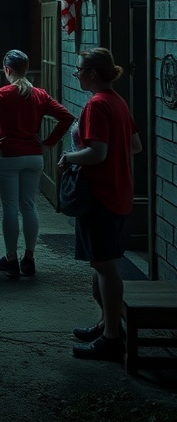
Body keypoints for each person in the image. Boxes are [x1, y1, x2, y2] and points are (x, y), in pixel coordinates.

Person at [61, 48, 142, 361]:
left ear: (93, 73)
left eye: (79, 69)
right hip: (119, 191)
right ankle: (105, 322)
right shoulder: (118, 102)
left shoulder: (96, 105)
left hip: (101, 195)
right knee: (100, 261)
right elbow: (135, 145)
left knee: (106, 266)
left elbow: (97, 153)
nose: (76, 73)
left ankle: (111, 337)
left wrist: (68, 157)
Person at [0, 49, 75, 277]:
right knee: (28, 205)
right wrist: (48, 143)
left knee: (10, 206)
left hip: (8, 155)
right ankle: (29, 258)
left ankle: (11, 259)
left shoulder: (4, 93)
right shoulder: (40, 94)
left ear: (7, 69)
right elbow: (67, 117)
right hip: (34, 155)